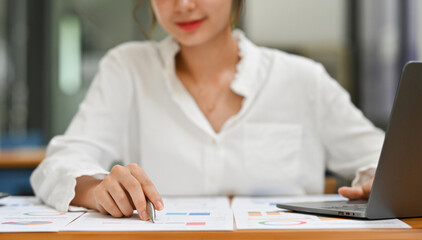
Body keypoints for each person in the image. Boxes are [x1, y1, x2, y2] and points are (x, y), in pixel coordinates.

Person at [30, 0, 384, 221]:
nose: (183, 4)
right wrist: (97, 188)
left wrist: (378, 179)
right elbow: (59, 164)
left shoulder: (301, 78)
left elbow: (384, 156)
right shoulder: (127, 69)